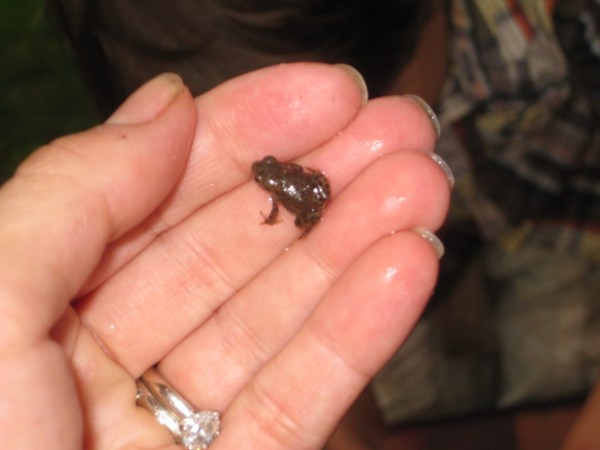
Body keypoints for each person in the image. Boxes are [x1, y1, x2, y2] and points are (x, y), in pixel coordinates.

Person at [0, 64, 451, 449]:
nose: (264, 172)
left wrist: (289, 205)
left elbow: (289, 195)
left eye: (266, 169)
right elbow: (287, 196)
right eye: (266, 173)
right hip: (304, 192)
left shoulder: (278, 184)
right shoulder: (275, 184)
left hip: (306, 193)